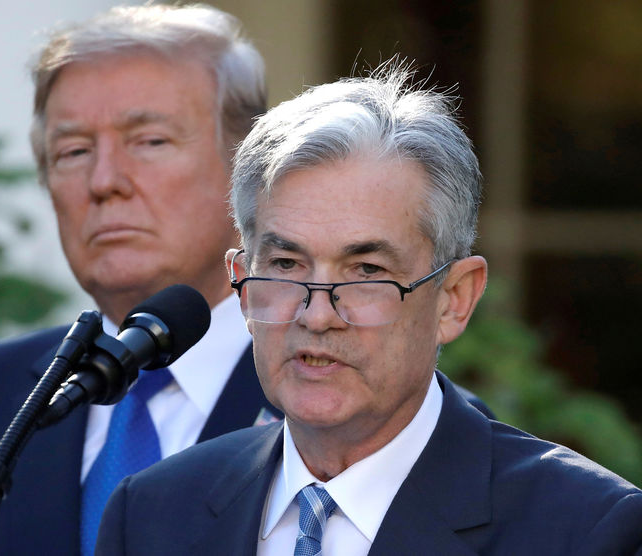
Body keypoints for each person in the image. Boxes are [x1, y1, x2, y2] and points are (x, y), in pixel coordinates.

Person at [0, 6, 490, 555]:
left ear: (249, 168)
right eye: (72, 151)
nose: (104, 181)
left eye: (148, 141)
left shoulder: (374, 412)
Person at [94, 64, 642, 555]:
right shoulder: (152, 512)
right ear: (241, 283)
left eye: (367, 272)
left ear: (455, 299)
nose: (316, 315)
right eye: (286, 265)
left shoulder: (584, 529)